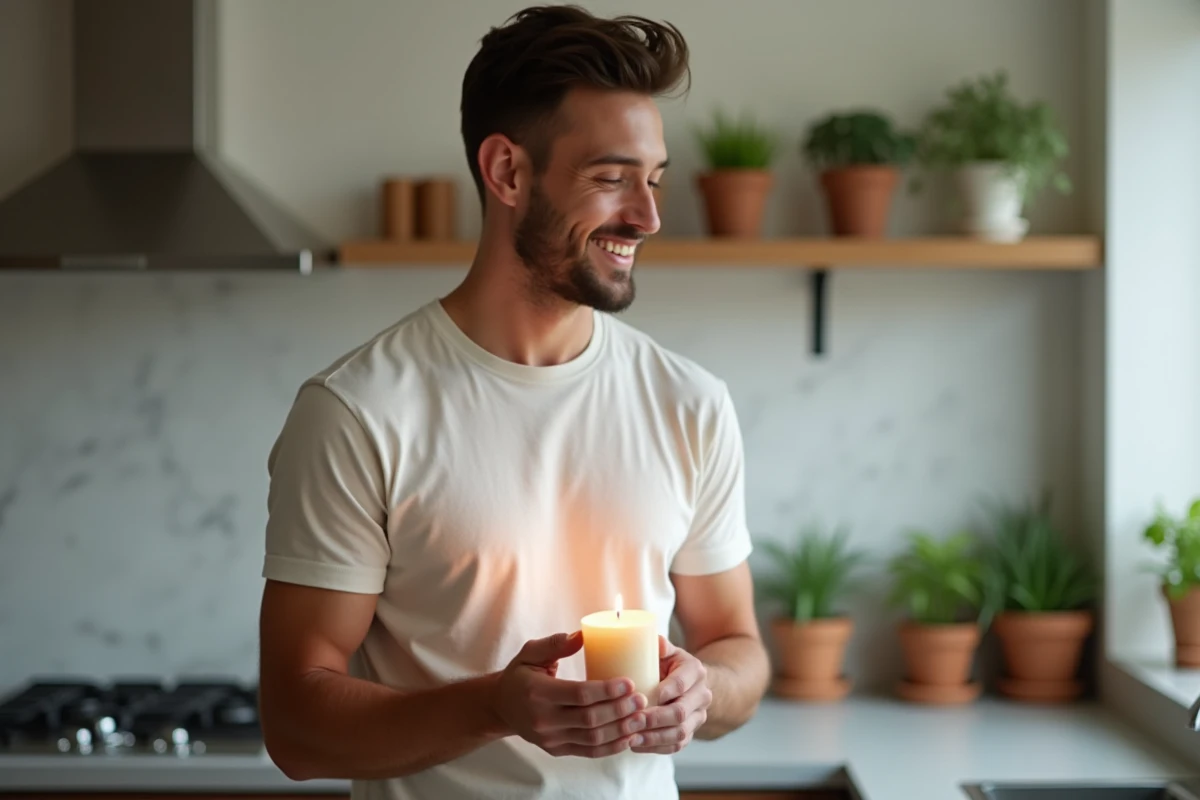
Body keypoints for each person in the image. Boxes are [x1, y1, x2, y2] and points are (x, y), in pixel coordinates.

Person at [256, 5, 770, 799]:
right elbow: (295, 725)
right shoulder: (358, 411)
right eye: (611, 179)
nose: (648, 216)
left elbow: (739, 646)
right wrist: (495, 705)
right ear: (507, 173)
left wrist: (705, 693)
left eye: (654, 179)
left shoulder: (688, 403)